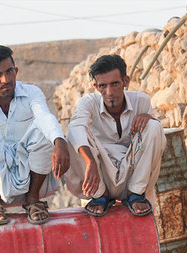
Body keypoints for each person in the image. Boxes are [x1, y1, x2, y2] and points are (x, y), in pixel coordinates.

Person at [0, 45, 69, 225]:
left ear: (16, 71)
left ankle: (33, 200)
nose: (5, 79)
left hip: (27, 169)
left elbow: (44, 117)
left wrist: (60, 141)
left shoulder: (32, 92)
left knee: (44, 131)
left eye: (9, 72)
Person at [64, 54, 166, 217]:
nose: (109, 92)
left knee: (154, 126)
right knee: (75, 132)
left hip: (131, 176)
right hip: (100, 175)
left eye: (115, 84)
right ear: (96, 86)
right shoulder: (88, 102)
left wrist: (149, 118)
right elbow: (76, 128)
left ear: (126, 81)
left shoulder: (141, 101)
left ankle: (136, 194)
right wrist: (90, 161)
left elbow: (152, 141)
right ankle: (100, 197)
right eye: (103, 86)